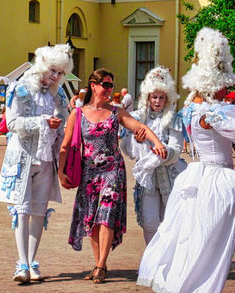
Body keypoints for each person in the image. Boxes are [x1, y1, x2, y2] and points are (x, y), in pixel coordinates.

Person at [137, 28, 235, 293]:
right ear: (213, 85)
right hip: (213, 178)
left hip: (198, 176)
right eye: (224, 84)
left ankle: (193, 282)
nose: (227, 88)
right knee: (204, 241)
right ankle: (196, 286)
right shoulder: (211, 114)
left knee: (193, 238)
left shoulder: (194, 109)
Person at [58, 68, 167, 284]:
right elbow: (66, 144)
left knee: (106, 215)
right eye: (105, 85)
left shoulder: (116, 112)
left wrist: (156, 143)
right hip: (89, 173)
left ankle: (100, 265)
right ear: (93, 86)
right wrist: (60, 172)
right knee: (92, 220)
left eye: (111, 85)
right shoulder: (77, 114)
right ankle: (100, 262)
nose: (109, 89)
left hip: (112, 171)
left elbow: (139, 127)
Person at [0, 44, 73, 284]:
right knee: (21, 210)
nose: (56, 76)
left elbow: (66, 122)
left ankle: (32, 261)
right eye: (52, 70)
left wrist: (60, 126)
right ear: (42, 65)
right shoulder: (20, 88)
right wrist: (42, 122)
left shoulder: (58, 93)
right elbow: (12, 123)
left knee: (38, 212)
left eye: (60, 72)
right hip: (22, 157)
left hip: (46, 158)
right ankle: (22, 264)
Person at [120, 66, 186, 245]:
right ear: (148, 97)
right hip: (147, 178)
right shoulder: (136, 118)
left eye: (161, 97)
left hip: (170, 176)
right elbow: (128, 150)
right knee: (149, 222)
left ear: (168, 98)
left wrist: (163, 152)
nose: (157, 101)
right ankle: (151, 261)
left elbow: (176, 148)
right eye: (154, 97)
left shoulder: (174, 119)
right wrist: (138, 142)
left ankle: (169, 262)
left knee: (170, 221)